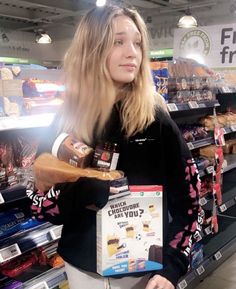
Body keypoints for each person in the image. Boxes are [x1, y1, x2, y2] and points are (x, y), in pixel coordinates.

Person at [30, 5, 203, 289]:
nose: (132, 52)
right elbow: (39, 205)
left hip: (142, 274)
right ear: (92, 49)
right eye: (118, 42)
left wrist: (171, 267)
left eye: (137, 43)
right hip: (81, 272)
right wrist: (83, 190)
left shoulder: (156, 121)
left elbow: (191, 203)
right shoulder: (66, 121)